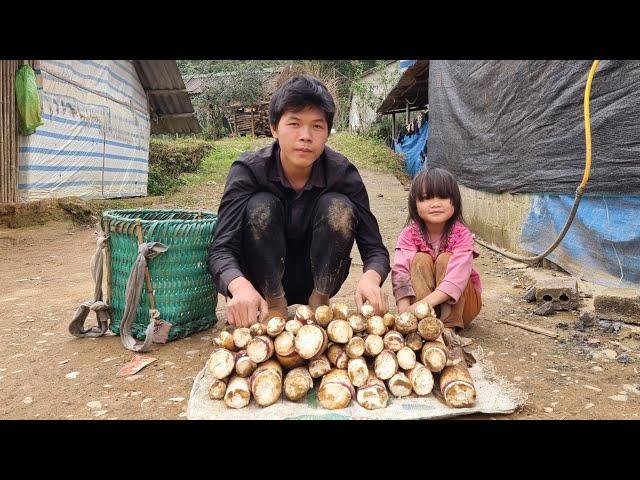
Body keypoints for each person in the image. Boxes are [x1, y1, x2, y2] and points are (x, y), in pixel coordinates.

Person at [208, 75, 390, 327]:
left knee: (338, 207)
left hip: (318, 277)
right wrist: (238, 287)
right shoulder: (248, 171)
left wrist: (371, 278)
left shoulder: (343, 173)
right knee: (261, 206)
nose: (306, 136)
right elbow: (221, 249)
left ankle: (319, 301)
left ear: (327, 132)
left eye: (317, 126)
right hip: (261, 276)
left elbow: (375, 249)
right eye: (294, 123)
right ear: (274, 128)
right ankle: (274, 303)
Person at [391, 167, 482, 331]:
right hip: (421, 311)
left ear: (455, 201)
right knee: (420, 259)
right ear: (415, 204)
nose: (435, 204)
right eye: (426, 198)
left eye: (443, 197)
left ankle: (449, 326)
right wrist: (404, 312)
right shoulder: (409, 234)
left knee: (446, 259)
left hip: (463, 306)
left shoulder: (462, 235)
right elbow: (400, 272)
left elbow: (456, 279)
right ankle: (424, 324)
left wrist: (420, 305)